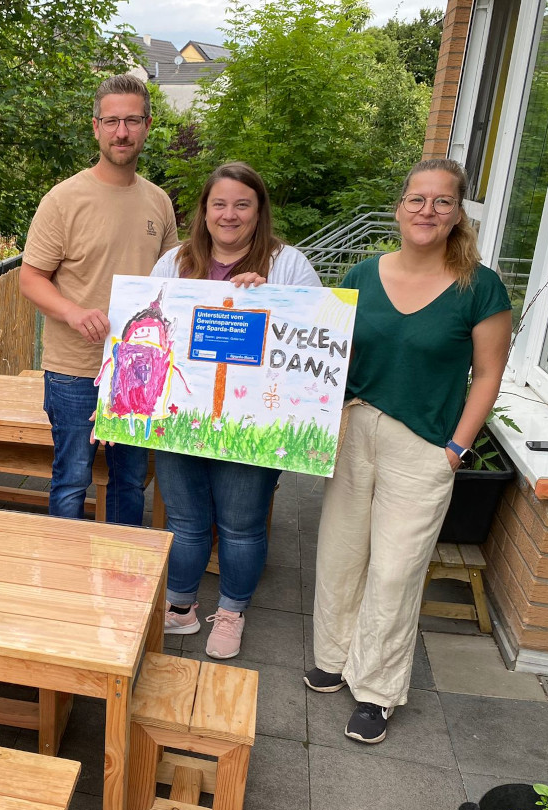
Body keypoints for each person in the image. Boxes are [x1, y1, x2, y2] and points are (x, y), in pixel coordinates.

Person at [306, 158, 512, 744]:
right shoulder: (363, 274)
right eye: (417, 199)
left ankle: (376, 690)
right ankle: (332, 655)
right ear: (398, 208)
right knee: (342, 554)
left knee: (395, 571)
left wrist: (455, 449)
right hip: (353, 430)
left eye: (442, 201)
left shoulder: (480, 285)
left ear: (457, 214)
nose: (428, 210)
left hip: (422, 444)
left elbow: (488, 375)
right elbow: (324, 349)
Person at [151, 162, 322, 659]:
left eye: (242, 204)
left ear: (258, 211)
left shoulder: (288, 264)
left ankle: (230, 611)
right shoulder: (174, 262)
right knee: (184, 520)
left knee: (241, 525)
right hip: (181, 419)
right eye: (219, 204)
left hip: (254, 423)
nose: (229, 214)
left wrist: (272, 299)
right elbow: (150, 329)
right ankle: (180, 607)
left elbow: (314, 342)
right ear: (203, 212)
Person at [20, 74, 178, 526]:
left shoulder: (159, 203)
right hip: (74, 369)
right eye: (111, 121)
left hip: (138, 369)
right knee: (71, 479)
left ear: (147, 125)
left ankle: (123, 583)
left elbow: (174, 281)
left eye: (131, 120)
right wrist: (72, 312)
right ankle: (64, 579)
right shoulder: (64, 200)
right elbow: (30, 279)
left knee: (130, 481)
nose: (121, 132)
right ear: (96, 127)